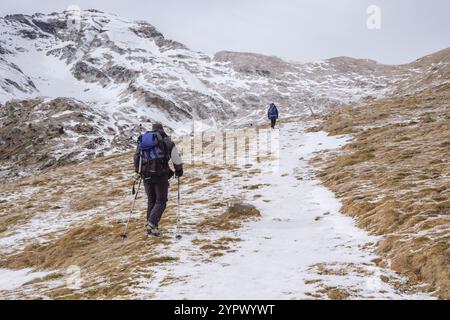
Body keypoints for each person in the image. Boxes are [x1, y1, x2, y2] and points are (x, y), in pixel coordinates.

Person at [134, 123, 183, 236]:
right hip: (160, 175)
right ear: (162, 129)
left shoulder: (144, 141)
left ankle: (151, 228)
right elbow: (176, 157)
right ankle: (152, 223)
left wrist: (138, 171)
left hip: (146, 175)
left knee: (152, 201)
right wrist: (178, 170)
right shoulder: (167, 141)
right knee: (161, 201)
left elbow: (136, 157)